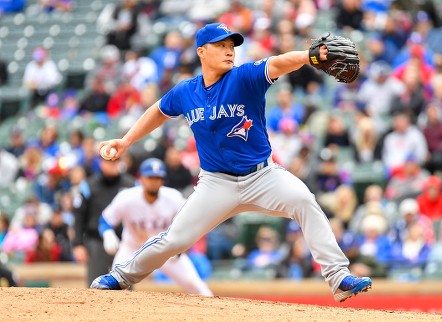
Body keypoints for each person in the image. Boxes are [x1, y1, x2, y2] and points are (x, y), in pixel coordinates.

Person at [90, 22, 372, 302]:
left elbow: (277, 63)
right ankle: (120, 277)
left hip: (263, 176)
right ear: (202, 51)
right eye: (221, 45)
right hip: (216, 183)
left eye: (231, 46)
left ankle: (338, 277)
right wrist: (126, 141)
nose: (229, 51)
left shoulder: (244, 78)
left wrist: (309, 56)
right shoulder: (186, 91)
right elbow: (159, 111)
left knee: (304, 201)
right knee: (175, 240)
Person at [98, 158, 212, 295]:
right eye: (150, 177)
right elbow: (105, 219)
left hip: (166, 250)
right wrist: (108, 234)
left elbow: (191, 222)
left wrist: (182, 248)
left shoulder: (173, 197)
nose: (154, 181)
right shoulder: (127, 197)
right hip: (132, 248)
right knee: (114, 283)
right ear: (141, 179)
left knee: (196, 285)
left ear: (163, 180)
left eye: (158, 178)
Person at [73, 157, 136, 287]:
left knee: (126, 284)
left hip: (125, 242)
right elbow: (79, 216)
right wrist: (78, 244)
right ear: (101, 163)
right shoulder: (89, 186)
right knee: (96, 284)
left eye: (116, 161)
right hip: (96, 241)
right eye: (109, 162)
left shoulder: (130, 185)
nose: (113, 165)